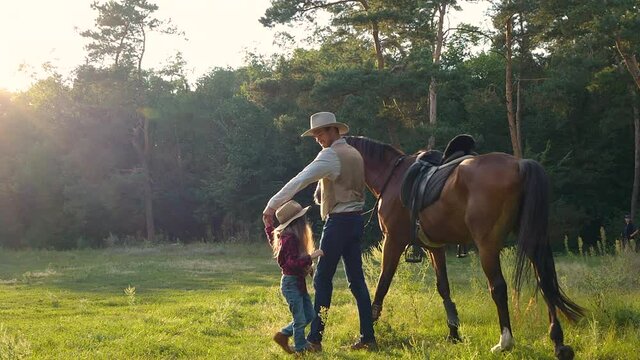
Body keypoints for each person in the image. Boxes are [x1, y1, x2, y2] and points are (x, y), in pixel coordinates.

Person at [263, 111, 377, 351]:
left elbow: (300, 180)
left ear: (335, 130)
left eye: (321, 132)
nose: (318, 138)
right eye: (315, 134)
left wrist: (272, 205)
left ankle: (315, 340)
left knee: (322, 278)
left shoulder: (330, 155)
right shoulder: (354, 153)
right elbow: (331, 186)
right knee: (357, 281)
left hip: (338, 223)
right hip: (355, 221)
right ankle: (368, 337)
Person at [266, 200, 324, 354]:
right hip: (291, 284)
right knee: (299, 319)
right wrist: (310, 257)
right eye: (302, 218)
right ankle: (300, 349)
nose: (305, 221)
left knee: (309, 315)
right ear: (297, 222)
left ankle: (283, 335)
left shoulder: (287, 237)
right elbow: (290, 264)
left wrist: (268, 227)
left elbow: (273, 240)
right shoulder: (289, 238)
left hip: (298, 283)